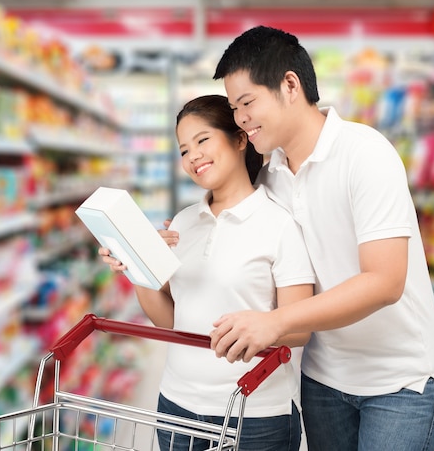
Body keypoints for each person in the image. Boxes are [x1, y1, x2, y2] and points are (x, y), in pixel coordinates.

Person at [204, 25, 434, 451]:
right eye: (233, 108)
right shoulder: (269, 176)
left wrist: (275, 322)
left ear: (290, 85)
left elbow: (385, 281)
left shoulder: (365, 153)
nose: (241, 119)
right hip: (323, 379)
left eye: (247, 103)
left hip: (401, 380)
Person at [99, 94, 315, 451]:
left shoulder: (280, 225)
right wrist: (138, 265)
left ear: (240, 139)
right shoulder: (184, 222)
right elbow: (170, 321)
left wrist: (256, 328)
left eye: (202, 140)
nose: (192, 156)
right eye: (183, 150)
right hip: (176, 406)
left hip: (254, 414)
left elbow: (300, 331)